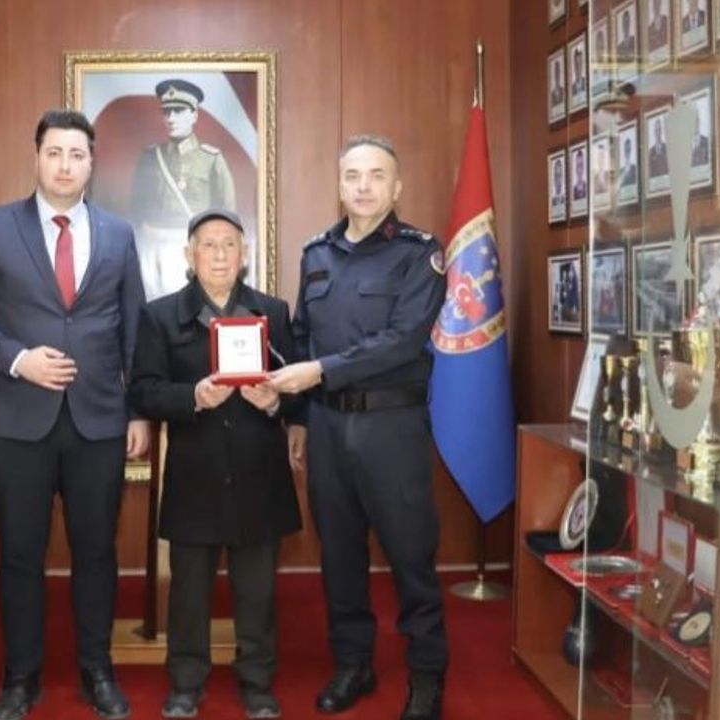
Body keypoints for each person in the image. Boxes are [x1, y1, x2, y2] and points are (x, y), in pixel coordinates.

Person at [0, 109, 150, 720]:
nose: (65, 165)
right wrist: (17, 360)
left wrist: (138, 412)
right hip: (17, 420)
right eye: (54, 152)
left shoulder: (118, 234)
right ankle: (21, 677)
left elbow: (134, 331)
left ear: (92, 162)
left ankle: (97, 671)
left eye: (77, 154)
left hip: (99, 421)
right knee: (19, 553)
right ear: (36, 157)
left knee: (97, 552)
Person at [265, 135, 448, 720]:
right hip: (325, 426)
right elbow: (302, 337)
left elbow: (401, 341)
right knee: (338, 554)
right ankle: (353, 664)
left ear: (396, 188)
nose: (363, 186)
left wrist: (319, 372)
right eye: (352, 176)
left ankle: (427, 676)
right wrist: (298, 417)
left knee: (410, 556)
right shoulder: (316, 253)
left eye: (376, 176)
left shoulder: (420, 253)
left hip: (391, 427)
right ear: (339, 186)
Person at [128, 208, 303, 720]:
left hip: (258, 471)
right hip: (196, 476)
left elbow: (299, 389)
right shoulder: (160, 316)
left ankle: (257, 683)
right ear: (190, 255)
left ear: (244, 254)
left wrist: (275, 400)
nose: (220, 254)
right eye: (209, 245)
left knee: (257, 590)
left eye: (230, 244)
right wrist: (192, 397)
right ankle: (186, 683)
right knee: (188, 591)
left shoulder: (273, 312)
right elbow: (143, 390)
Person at [129, 78, 236, 300]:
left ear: (194, 115)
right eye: (167, 112)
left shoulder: (211, 159)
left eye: (178, 111)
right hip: (154, 250)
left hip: (196, 254)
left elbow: (227, 217)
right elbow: (136, 210)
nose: (171, 118)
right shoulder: (150, 158)